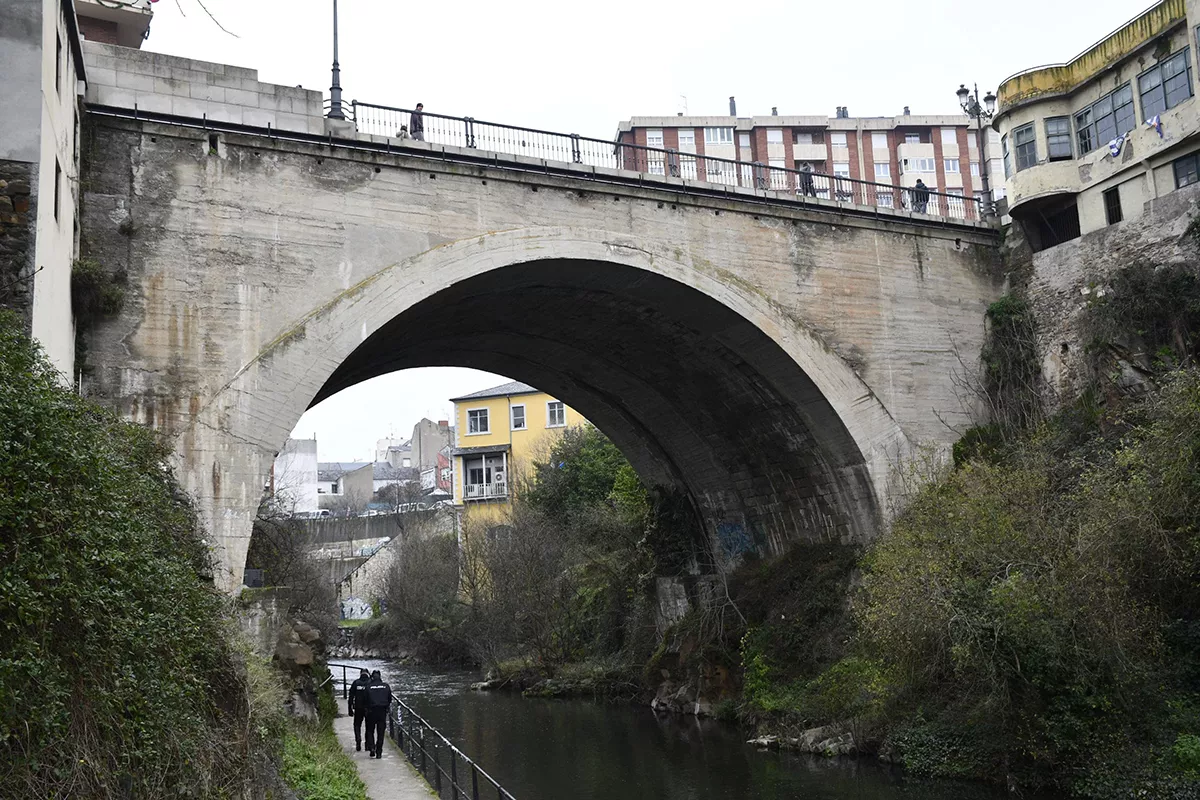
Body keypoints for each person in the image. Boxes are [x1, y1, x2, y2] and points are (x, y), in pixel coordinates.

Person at [365, 669, 392, 759]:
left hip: (371, 711)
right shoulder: (386, 686)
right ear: (380, 677)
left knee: (370, 731)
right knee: (381, 732)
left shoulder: (368, 687)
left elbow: (365, 700)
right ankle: (379, 751)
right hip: (382, 711)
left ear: (372, 677)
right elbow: (389, 699)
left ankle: (372, 747)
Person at [348, 669, 370, 751]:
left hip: (358, 707)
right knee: (369, 726)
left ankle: (358, 741)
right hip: (368, 708)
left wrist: (349, 708)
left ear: (360, 674)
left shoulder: (356, 683)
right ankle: (367, 744)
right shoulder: (370, 682)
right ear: (367, 674)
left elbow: (351, 696)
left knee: (357, 725)